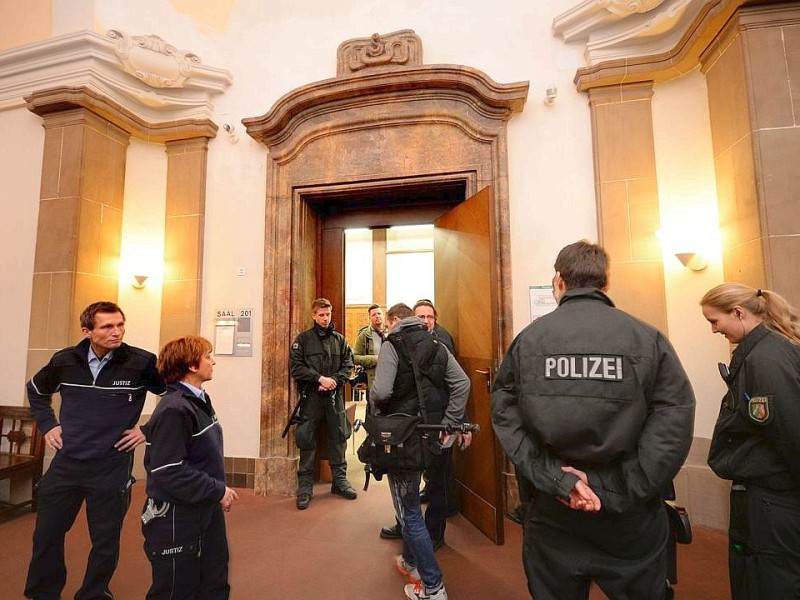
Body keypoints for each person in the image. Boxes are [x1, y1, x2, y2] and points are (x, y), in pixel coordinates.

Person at [491, 240, 695, 600]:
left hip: (555, 512)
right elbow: (673, 422)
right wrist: (614, 485)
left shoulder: (529, 340)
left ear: (558, 281)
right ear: (606, 283)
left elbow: (506, 417)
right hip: (629, 515)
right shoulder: (647, 339)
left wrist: (558, 479)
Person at [24, 301, 165, 600]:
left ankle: (94, 594)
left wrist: (146, 430)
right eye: (107, 327)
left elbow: (174, 397)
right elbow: (36, 390)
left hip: (111, 466)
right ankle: (43, 593)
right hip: (67, 464)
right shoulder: (64, 361)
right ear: (87, 331)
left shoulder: (141, 362)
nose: (117, 332)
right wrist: (49, 424)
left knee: (104, 541)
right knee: (47, 534)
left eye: (120, 325)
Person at [700, 283, 800, 599]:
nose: (714, 330)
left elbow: (790, 431)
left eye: (715, 321)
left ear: (739, 313)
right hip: (766, 494)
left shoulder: (767, 358)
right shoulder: (761, 352)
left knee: (774, 582)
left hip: (776, 497)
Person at [371, 303, 470, 600]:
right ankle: (410, 561)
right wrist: (451, 423)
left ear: (395, 322)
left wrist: (377, 404)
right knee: (412, 504)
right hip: (433, 435)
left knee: (409, 511)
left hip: (402, 438)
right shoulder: (437, 345)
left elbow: (382, 391)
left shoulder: (392, 346)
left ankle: (433, 586)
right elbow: (462, 384)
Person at [141, 335, 238, 599]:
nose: (213, 361)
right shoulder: (174, 409)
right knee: (177, 589)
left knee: (213, 579)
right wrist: (217, 490)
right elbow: (167, 470)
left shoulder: (199, 400)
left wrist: (214, 493)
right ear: (192, 366)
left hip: (203, 505)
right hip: (177, 516)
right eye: (208, 356)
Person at [289, 297, 357, 510]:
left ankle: (339, 482)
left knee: (338, 437)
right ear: (313, 315)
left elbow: (349, 365)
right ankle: (305, 488)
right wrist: (319, 379)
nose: (325, 319)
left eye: (328, 314)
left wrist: (334, 381)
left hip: (334, 397)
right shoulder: (303, 340)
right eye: (321, 315)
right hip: (312, 397)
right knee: (306, 439)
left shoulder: (340, 340)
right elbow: (296, 368)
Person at [352, 304, 386, 397]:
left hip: (390, 380)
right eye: (374, 315)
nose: (377, 316)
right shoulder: (364, 335)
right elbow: (354, 358)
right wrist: (375, 359)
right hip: (373, 381)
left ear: (383, 315)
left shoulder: (391, 333)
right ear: (369, 318)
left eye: (379, 313)